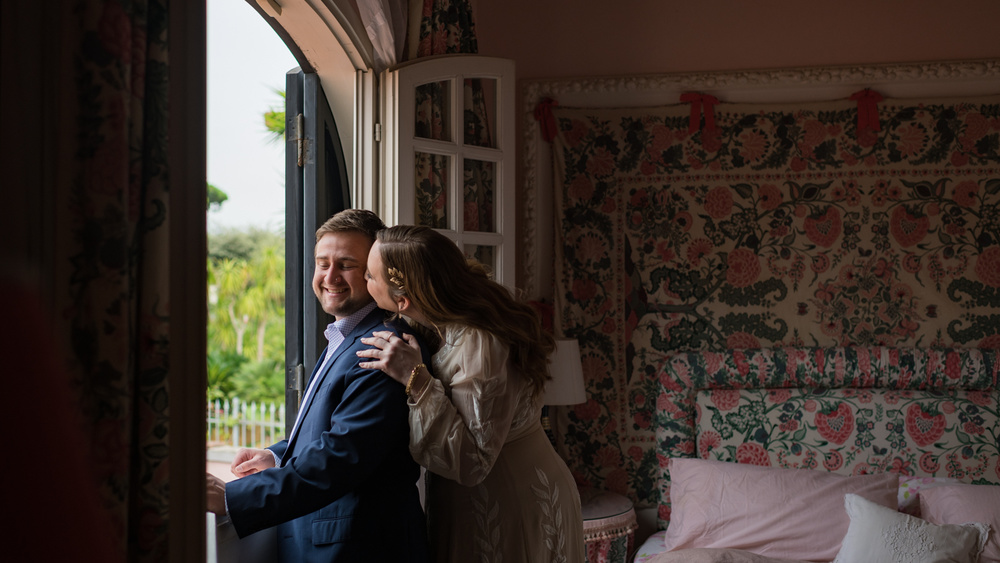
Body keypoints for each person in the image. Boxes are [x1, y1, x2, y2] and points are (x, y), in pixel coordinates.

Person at [206, 210, 431, 563]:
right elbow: (332, 430)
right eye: (322, 263)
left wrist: (233, 497)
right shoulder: (345, 336)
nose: (330, 277)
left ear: (376, 273)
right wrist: (279, 454)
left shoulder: (384, 346)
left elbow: (342, 455)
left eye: (346, 264)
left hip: (358, 549)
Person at [357, 225, 585, 562]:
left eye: (368, 276)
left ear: (403, 300)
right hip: (469, 500)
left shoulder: (479, 344)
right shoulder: (435, 321)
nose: (362, 280)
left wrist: (415, 378)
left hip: (511, 501)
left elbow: (474, 462)